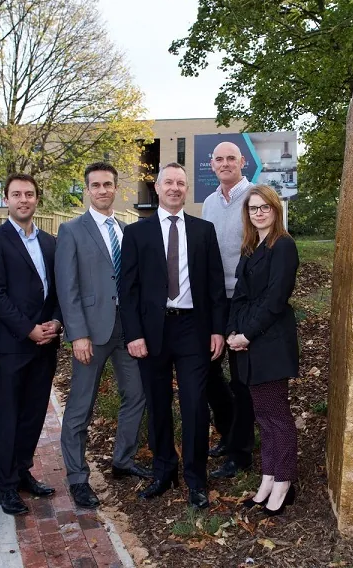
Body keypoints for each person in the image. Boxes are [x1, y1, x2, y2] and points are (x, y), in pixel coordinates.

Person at [118, 162, 227, 509]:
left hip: (193, 330)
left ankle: (196, 479)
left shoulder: (203, 231)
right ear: (158, 187)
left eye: (181, 183)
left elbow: (214, 286)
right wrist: (133, 334)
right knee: (158, 404)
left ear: (186, 189)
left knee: (195, 406)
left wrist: (217, 330)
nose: (175, 188)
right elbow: (128, 289)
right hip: (152, 333)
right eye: (169, 182)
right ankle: (164, 471)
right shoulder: (137, 233)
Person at [55, 162, 151, 510]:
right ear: (87, 189)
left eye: (108, 184)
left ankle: (122, 460)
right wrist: (76, 334)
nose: (102, 190)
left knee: (136, 395)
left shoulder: (126, 230)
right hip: (91, 334)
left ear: (115, 187)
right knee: (81, 406)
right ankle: (77, 477)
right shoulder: (72, 230)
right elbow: (67, 288)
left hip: (126, 331)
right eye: (95, 185)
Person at [0, 173, 62, 516]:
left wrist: (56, 321)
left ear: (36, 199)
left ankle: (23, 472)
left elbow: (58, 289)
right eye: (16, 194)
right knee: (9, 415)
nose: (23, 199)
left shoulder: (50, 242)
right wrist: (28, 329)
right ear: (7, 200)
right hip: (13, 344)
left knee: (33, 415)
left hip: (46, 342)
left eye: (29, 194)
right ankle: (6, 486)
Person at [226, 185, 300, 516]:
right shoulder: (250, 247)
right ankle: (268, 476)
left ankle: (284, 481)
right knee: (264, 418)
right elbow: (240, 295)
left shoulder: (283, 246)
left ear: (275, 209)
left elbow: (274, 300)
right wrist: (231, 331)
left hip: (269, 344)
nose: (258, 212)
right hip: (247, 343)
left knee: (277, 416)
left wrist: (247, 334)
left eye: (264, 207)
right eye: (253, 208)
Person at [201, 141, 256, 478]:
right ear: (212, 164)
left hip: (243, 301)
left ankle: (241, 452)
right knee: (208, 373)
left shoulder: (254, 198)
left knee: (241, 380)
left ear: (242, 161)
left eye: (230, 158)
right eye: (218, 159)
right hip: (213, 300)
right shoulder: (208, 203)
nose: (224, 164)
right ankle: (227, 431)